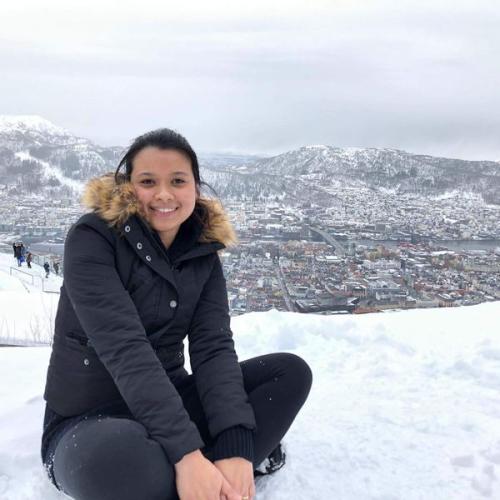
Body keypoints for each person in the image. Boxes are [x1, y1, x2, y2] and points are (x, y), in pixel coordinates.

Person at [41, 128, 312, 500]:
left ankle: (217, 468)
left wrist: (234, 444)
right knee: (122, 459)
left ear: (195, 188)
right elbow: (125, 349)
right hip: (89, 420)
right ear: (127, 186)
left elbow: (213, 348)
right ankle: (208, 471)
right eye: (148, 181)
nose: (164, 194)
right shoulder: (93, 239)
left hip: (172, 401)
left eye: (178, 181)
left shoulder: (202, 251)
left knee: (289, 372)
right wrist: (186, 454)